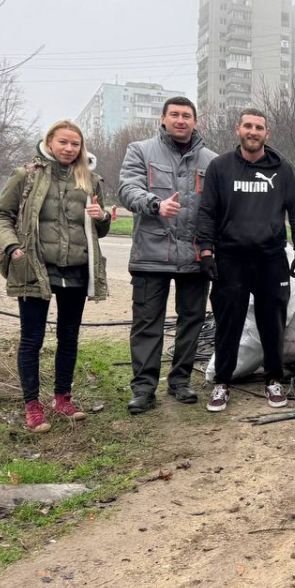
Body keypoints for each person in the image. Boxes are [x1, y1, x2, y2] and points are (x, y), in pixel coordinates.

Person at [0, 120, 110, 433]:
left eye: (75, 144)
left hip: (77, 270)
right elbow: (1, 216)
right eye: (63, 142)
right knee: (32, 339)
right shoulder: (26, 175)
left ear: (81, 148)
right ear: (50, 142)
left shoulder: (90, 179)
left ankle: (63, 399)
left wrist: (103, 217)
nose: (69, 149)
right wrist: (13, 246)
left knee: (69, 337)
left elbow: (99, 230)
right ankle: (32, 406)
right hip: (34, 266)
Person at [197, 108, 295, 413]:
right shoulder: (220, 167)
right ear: (238, 129)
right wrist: (206, 252)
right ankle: (222, 382)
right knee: (228, 323)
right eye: (248, 126)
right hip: (230, 258)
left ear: (266, 133)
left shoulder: (282, 169)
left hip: (271, 259)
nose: (253, 131)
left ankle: (273, 379)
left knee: (272, 324)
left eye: (259, 127)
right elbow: (207, 212)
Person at [118, 96, 216, 414]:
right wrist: (155, 204)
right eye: (174, 114)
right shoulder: (140, 151)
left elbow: (217, 208)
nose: (180, 120)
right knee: (148, 323)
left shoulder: (211, 161)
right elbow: (127, 189)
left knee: (192, 321)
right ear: (163, 119)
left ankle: (180, 381)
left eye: (186, 115)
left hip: (194, 257)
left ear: (195, 122)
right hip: (151, 255)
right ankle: (144, 389)